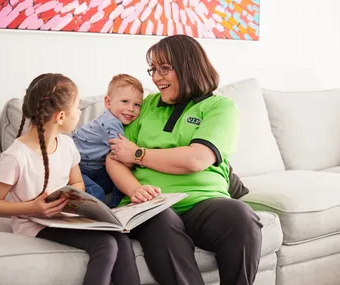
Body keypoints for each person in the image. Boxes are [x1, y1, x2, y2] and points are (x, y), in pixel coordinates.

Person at [106, 35, 263, 285]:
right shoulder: (145, 106)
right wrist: (135, 190)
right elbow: (115, 158)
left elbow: (196, 159)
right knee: (160, 219)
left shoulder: (220, 107)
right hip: (152, 204)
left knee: (241, 217)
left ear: (189, 66)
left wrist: (139, 154)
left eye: (164, 68)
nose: (156, 77)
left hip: (204, 202)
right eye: (153, 70)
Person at [0, 73, 140, 285]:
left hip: (66, 218)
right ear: (61, 117)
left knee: (121, 238)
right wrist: (32, 207)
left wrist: (76, 202)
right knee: (105, 245)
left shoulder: (67, 144)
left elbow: (78, 183)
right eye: (78, 107)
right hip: (35, 223)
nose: (80, 112)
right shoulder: (16, 156)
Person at [72, 74, 143, 207]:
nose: (131, 108)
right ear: (108, 102)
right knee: (96, 192)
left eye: (137, 104)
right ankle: (105, 218)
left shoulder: (116, 120)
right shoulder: (111, 122)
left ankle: (117, 208)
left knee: (120, 178)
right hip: (77, 169)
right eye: (125, 101)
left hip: (95, 169)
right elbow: (121, 152)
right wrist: (139, 159)